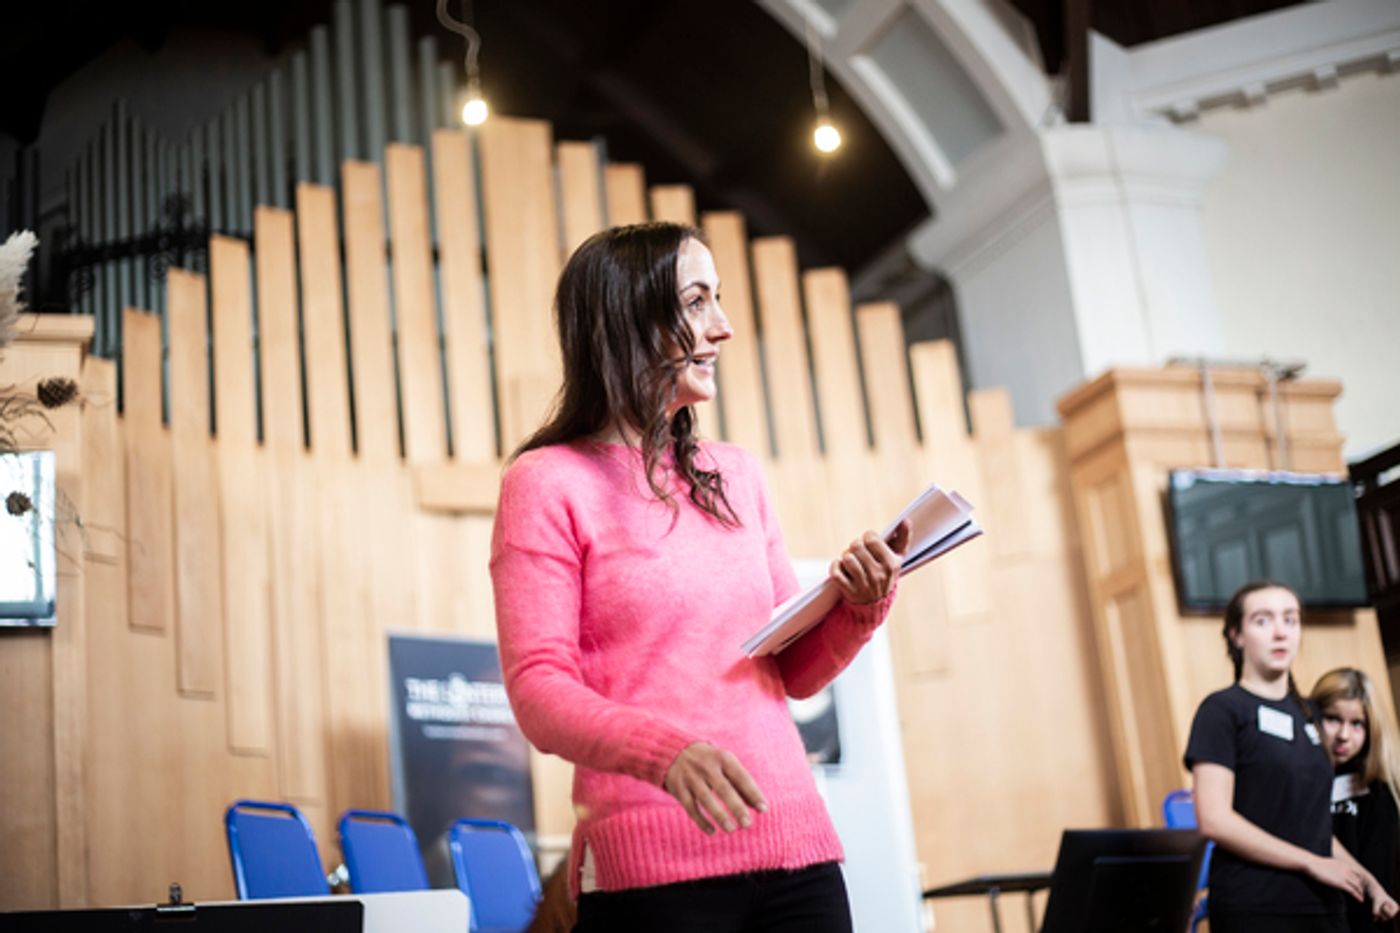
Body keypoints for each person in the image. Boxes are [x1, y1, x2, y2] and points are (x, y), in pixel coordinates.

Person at [489, 221, 909, 933]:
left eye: (719, 300)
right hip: (654, 874)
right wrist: (666, 751)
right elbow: (538, 687)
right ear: (627, 320)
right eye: (697, 301)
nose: (724, 327)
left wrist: (858, 609)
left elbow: (793, 671)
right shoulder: (546, 482)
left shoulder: (736, 474)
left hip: (797, 851)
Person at [1184, 580, 1399, 933]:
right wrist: (1312, 863)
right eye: (1263, 620)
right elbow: (1214, 820)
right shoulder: (1222, 710)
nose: (1281, 632)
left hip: (1323, 906)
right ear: (1237, 636)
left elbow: (1311, 826)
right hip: (1256, 905)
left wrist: (1368, 881)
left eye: (1291, 619)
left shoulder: (1312, 714)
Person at [1311, 667, 1400, 933]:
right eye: (1332, 719)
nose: (1343, 735)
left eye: (1356, 724)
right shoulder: (1299, 779)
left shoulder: (1378, 790)